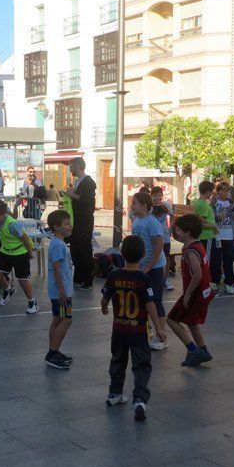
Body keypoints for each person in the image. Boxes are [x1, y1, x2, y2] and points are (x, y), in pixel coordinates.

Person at [101, 235, 155, 421]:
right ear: (143, 255)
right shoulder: (143, 278)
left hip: (119, 329)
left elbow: (104, 297)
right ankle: (139, 399)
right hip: (138, 331)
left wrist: (104, 307)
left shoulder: (114, 275)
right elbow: (150, 304)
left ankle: (115, 393)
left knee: (117, 360)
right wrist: (159, 328)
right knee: (141, 365)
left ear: (121, 253)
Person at [166, 214, 215, 367]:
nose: (176, 233)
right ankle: (203, 350)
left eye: (178, 230)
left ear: (187, 232)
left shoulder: (190, 251)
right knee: (192, 322)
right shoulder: (196, 246)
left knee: (171, 319)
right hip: (203, 292)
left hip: (195, 293)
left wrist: (187, 294)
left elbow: (197, 274)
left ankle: (193, 350)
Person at [130, 192, 168, 350]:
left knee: (155, 300)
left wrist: (149, 266)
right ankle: (147, 331)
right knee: (143, 301)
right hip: (141, 267)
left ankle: (162, 336)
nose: (132, 206)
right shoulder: (136, 221)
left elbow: (159, 245)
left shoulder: (152, 222)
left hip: (155, 268)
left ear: (145, 206)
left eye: (135, 203)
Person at [0, 199, 38, 313]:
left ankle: (32, 303)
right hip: (5, 251)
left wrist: (29, 253)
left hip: (19, 252)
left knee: (23, 280)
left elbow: (25, 239)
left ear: (2, 214)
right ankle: (8, 289)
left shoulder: (12, 225)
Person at [45, 210, 74, 370]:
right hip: (60, 292)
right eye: (67, 224)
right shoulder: (57, 245)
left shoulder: (59, 243)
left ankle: (54, 351)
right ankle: (52, 352)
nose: (70, 227)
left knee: (57, 319)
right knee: (67, 320)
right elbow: (56, 269)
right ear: (56, 227)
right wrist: (62, 291)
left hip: (60, 291)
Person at [66, 157, 96, 290]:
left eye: (71, 167)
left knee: (84, 250)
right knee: (75, 249)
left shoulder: (88, 182)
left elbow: (88, 202)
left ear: (78, 166)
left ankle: (88, 280)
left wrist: (73, 196)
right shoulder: (78, 182)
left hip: (84, 222)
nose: (70, 169)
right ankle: (78, 277)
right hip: (76, 221)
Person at [212, 181, 234, 293]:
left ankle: (229, 283)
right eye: (223, 189)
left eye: (227, 189)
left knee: (228, 260)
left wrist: (233, 211)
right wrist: (217, 217)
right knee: (216, 261)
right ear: (218, 191)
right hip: (218, 235)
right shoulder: (214, 203)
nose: (226, 192)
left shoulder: (231, 202)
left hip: (229, 235)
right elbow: (211, 217)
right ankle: (215, 282)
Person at [191, 181, 219, 272]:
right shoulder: (202, 204)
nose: (212, 194)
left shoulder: (196, 202)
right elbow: (200, 223)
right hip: (207, 237)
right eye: (211, 192)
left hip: (203, 236)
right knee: (208, 261)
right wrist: (214, 226)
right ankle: (209, 281)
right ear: (208, 192)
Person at [151, 186, 174, 291]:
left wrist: (171, 228)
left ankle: (165, 279)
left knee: (166, 258)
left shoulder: (166, 206)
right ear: (151, 196)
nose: (157, 197)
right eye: (155, 195)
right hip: (154, 238)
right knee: (154, 256)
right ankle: (154, 278)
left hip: (165, 237)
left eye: (159, 195)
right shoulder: (149, 207)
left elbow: (172, 215)